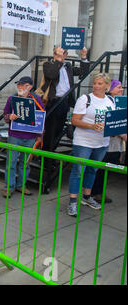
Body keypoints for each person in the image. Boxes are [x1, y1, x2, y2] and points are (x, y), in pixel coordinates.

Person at [41, 46, 89, 191]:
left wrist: (84, 58)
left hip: (64, 102)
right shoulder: (49, 64)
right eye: (59, 54)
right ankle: (46, 160)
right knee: (50, 132)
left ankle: (50, 156)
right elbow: (51, 75)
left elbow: (83, 73)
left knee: (57, 132)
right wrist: (58, 61)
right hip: (53, 102)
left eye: (64, 54)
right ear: (54, 54)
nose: (62, 56)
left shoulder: (68, 67)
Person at [67, 73, 115, 217]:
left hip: (102, 142)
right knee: (77, 171)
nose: (96, 86)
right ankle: (72, 201)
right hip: (84, 142)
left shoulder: (111, 100)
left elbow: (113, 119)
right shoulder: (85, 99)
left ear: (107, 86)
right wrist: (91, 126)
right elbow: (74, 120)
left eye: (100, 84)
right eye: (95, 83)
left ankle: (87, 197)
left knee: (92, 170)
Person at [2, 76, 45, 198]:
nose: (19, 87)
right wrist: (9, 117)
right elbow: (5, 114)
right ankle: (9, 187)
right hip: (15, 135)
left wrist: (40, 135)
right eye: (18, 85)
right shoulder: (12, 99)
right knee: (11, 162)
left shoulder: (36, 100)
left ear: (30, 87)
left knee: (25, 163)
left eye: (22, 85)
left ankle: (21, 185)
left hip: (30, 136)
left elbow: (41, 117)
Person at [91, 79, 127, 203]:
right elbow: (111, 122)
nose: (121, 89)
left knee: (108, 167)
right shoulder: (107, 102)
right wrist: (122, 134)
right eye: (119, 87)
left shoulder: (121, 102)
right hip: (108, 141)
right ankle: (95, 192)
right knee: (101, 167)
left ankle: (99, 191)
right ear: (110, 89)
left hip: (117, 142)